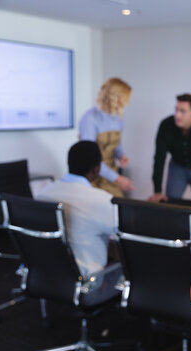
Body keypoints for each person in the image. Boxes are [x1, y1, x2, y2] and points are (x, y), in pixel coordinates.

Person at [37, 141, 122, 304]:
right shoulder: (101, 200)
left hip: (46, 277)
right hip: (88, 286)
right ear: (97, 169)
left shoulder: (43, 193)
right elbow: (126, 233)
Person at [148, 94, 191, 206]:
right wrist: (157, 191)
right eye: (176, 110)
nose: (178, 115)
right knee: (170, 205)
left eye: (183, 111)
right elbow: (159, 158)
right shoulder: (165, 125)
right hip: (177, 167)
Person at [79, 77, 135, 197]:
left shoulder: (119, 118)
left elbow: (117, 145)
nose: (127, 103)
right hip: (92, 175)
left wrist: (121, 155)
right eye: (125, 99)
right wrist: (117, 179)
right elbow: (90, 157)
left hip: (110, 172)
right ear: (116, 99)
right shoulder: (89, 119)